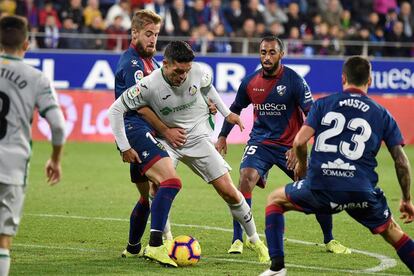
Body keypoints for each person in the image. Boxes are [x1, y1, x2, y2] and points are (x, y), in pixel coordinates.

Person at [108, 40, 270, 263]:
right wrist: (125, 146)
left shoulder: (199, 71)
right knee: (159, 187)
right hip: (167, 141)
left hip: (197, 138)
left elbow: (207, 88)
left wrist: (225, 112)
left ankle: (255, 239)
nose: (183, 76)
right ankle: (166, 241)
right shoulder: (148, 85)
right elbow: (116, 109)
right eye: (178, 70)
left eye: (186, 71)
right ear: (165, 64)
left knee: (229, 191)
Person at [260, 56, 414, 276]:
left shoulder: (323, 104)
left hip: (321, 186)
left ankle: (277, 268)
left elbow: (299, 142)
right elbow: (401, 160)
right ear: (370, 80)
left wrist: (302, 169)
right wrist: (407, 199)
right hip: (360, 191)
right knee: (392, 231)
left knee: (275, 200)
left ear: (343, 78)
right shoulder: (381, 113)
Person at [215, 36, 349, 255]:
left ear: (281, 54)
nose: (266, 57)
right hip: (261, 143)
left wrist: (299, 146)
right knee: (245, 178)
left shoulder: (294, 80)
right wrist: (222, 136)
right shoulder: (250, 82)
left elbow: (311, 114)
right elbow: (235, 108)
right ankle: (239, 239)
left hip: (290, 146)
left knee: (314, 188)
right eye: (263, 52)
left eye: (272, 53)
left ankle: (330, 240)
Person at [114, 10, 184, 261]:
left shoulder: (151, 63)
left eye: (156, 34)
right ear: (134, 33)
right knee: (171, 182)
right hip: (136, 130)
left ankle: (133, 247)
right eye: (148, 34)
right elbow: (139, 106)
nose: (153, 39)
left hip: (142, 132)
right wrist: (166, 130)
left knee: (147, 194)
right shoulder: (132, 64)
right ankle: (155, 246)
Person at [0, 15, 66, 276]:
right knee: (3, 240)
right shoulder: (37, 78)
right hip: (13, 166)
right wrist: (55, 159)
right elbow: (59, 126)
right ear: (27, 44)